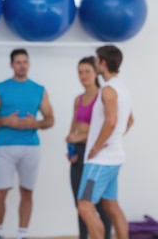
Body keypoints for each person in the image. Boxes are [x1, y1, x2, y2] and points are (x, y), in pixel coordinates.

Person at [0, 48, 54, 239]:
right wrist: (5, 121)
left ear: (28, 64)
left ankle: (22, 234)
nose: (22, 65)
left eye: (25, 61)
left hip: (31, 147)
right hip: (4, 147)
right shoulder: (0, 88)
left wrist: (35, 123)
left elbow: (50, 120)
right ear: (12, 64)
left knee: (27, 192)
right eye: (18, 62)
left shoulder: (39, 90)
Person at [77, 45, 134, 239]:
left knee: (84, 207)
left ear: (104, 63)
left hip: (100, 161)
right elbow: (130, 120)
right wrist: (115, 138)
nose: (94, 63)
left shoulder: (108, 90)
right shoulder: (123, 88)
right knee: (111, 205)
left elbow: (111, 121)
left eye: (96, 60)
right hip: (115, 158)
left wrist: (96, 147)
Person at [66, 56, 111, 239]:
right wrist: (70, 150)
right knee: (80, 205)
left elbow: (107, 128)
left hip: (95, 156)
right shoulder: (78, 99)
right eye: (80, 72)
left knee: (96, 204)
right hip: (78, 155)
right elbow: (72, 129)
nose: (83, 76)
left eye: (87, 71)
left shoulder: (103, 97)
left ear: (96, 73)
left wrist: (81, 136)